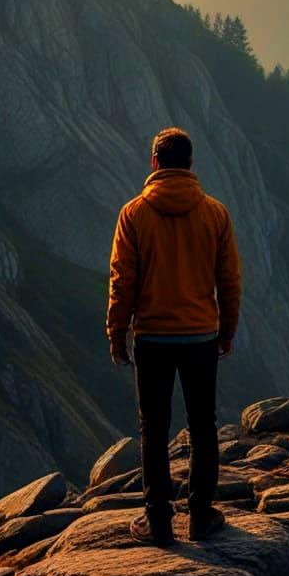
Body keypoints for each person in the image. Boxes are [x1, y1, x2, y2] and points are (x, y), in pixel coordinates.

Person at [107, 127, 241, 546]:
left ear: (154, 163)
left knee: (154, 428)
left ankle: (158, 522)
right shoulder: (215, 213)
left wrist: (116, 331)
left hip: (152, 339)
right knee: (203, 425)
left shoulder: (133, 214)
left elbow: (121, 280)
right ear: (189, 164)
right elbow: (230, 280)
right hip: (201, 336)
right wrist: (226, 330)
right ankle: (201, 515)